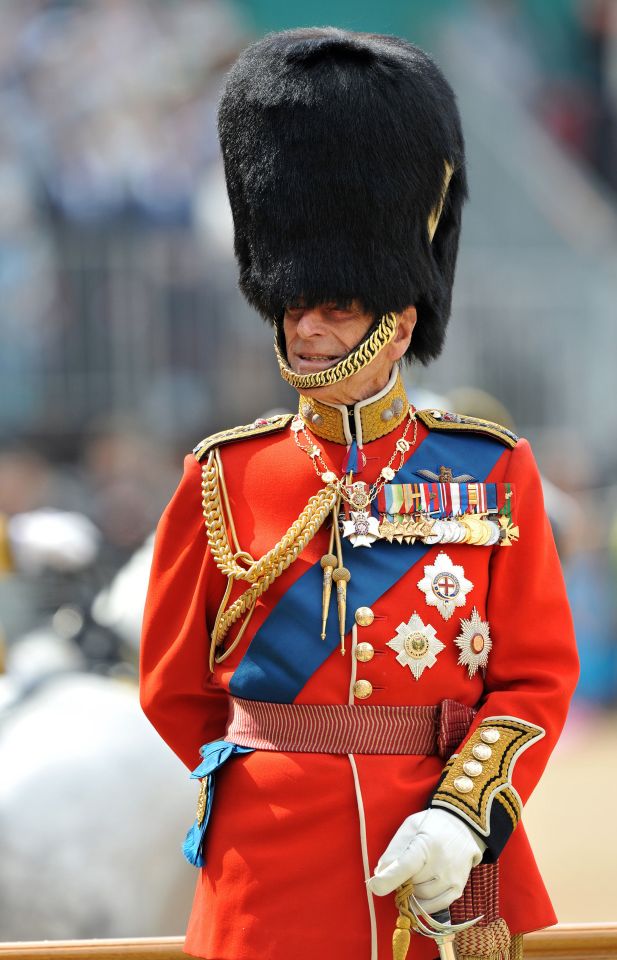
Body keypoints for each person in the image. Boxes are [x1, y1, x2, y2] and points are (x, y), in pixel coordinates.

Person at [140, 27, 578, 960]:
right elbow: (174, 691)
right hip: (266, 865)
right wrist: (272, 776)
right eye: (296, 304)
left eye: (336, 304)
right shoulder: (223, 475)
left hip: (444, 852)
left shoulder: (488, 470)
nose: (308, 326)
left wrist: (463, 815)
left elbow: (536, 677)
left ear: (398, 313)